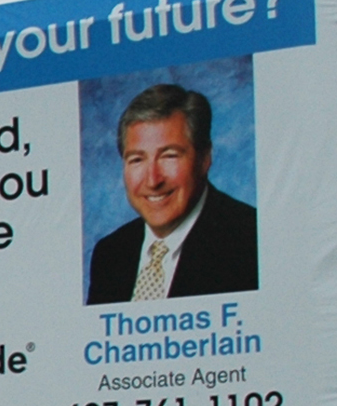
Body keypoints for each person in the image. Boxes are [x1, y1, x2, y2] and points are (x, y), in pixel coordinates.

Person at [84, 83, 259, 305]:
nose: (153, 180)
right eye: (137, 160)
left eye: (169, 156)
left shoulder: (252, 241)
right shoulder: (110, 254)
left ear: (204, 159)